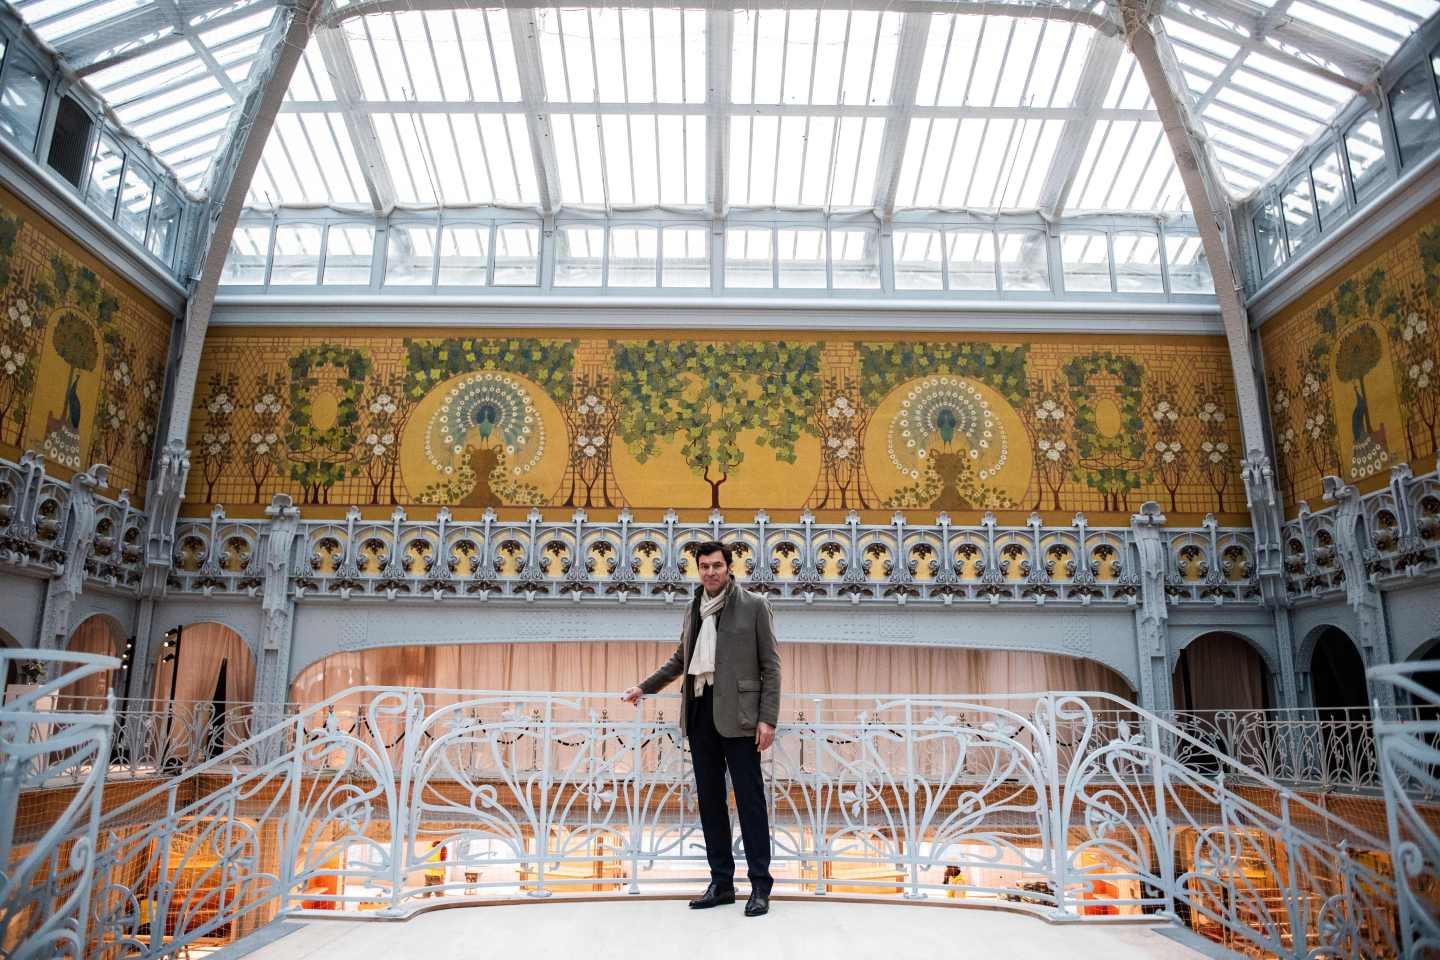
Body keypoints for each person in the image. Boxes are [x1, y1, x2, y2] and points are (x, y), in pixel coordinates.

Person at [622, 540, 781, 917]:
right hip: (699, 712)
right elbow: (682, 658)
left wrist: (768, 718)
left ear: (729, 567)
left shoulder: (754, 606)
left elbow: (770, 666)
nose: (711, 572)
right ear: (699, 570)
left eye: (717, 566)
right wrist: (645, 687)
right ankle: (721, 883)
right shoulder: (693, 607)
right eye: (704, 567)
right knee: (710, 803)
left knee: (751, 803)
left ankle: (760, 887)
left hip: (741, 717)